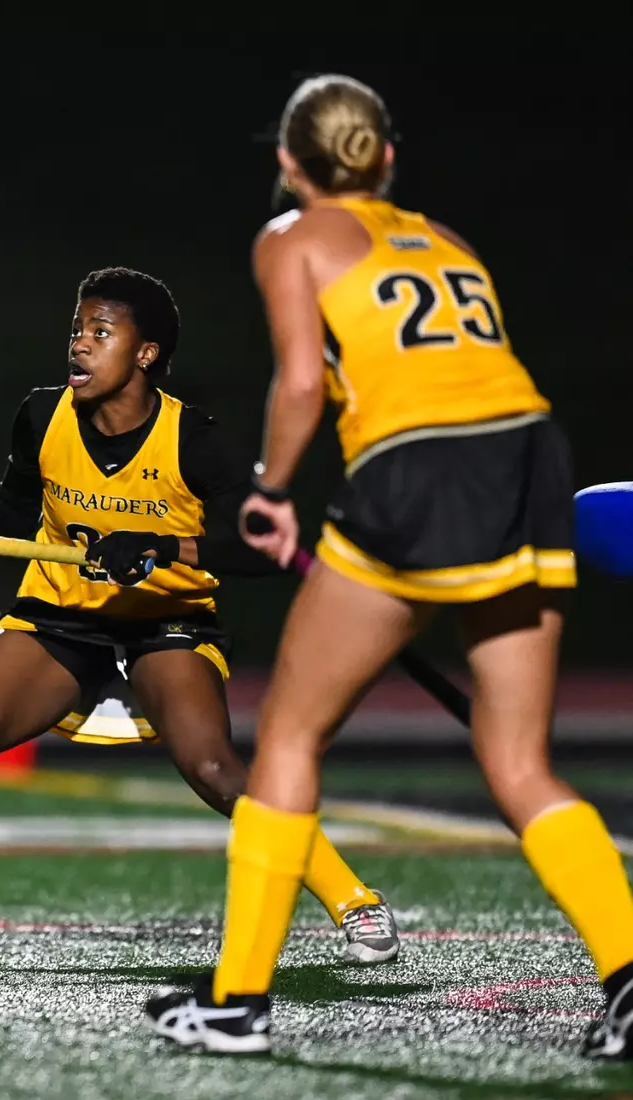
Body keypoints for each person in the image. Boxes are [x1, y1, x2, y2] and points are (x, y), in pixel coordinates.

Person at [145, 74, 633, 1059]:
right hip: (529, 451)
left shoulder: (287, 237)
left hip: (419, 469)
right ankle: (628, 977)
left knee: (287, 732)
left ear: (286, 163)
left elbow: (297, 381)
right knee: (518, 760)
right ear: (386, 159)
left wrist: (269, 490)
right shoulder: (444, 238)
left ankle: (236, 1000)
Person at [0, 267, 397, 966]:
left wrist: (164, 546)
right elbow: (10, 511)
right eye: (78, 331)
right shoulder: (42, 415)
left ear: (146, 353)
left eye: (102, 333)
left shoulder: (196, 438)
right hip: (58, 618)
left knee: (216, 769)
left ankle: (354, 900)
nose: (80, 346)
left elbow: (267, 550)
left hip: (166, 623)